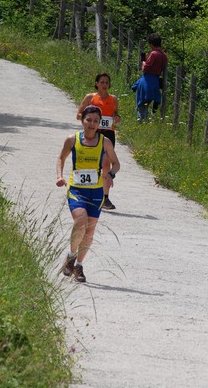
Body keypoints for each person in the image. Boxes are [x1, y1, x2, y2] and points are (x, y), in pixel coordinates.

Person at [56, 105, 120, 283]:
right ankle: (71, 255)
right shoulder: (72, 140)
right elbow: (61, 158)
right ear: (82, 120)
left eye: (95, 121)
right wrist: (59, 176)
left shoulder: (104, 142)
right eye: (88, 120)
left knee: (90, 231)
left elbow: (116, 163)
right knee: (80, 219)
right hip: (77, 189)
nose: (92, 124)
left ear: (100, 123)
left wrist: (110, 174)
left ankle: (78, 266)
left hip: (96, 192)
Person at [76, 73, 121, 210]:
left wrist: (117, 118)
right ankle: (84, 193)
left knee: (106, 163)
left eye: (107, 82)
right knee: (91, 162)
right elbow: (78, 114)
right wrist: (91, 120)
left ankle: (105, 198)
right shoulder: (90, 97)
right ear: (96, 83)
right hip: (93, 132)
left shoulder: (113, 99)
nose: (104, 85)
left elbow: (116, 115)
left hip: (109, 134)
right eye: (102, 82)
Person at [132, 33, 167, 122]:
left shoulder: (153, 54)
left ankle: (141, 120)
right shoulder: (164, 55)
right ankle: (146, 119)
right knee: (147, 103)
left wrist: (143, 61)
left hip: (147, 80)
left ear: (151, 44)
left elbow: (145, 68)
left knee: (141, 102)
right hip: (155, 80)